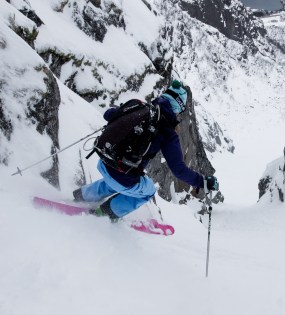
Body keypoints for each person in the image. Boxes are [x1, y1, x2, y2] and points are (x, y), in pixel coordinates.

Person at [73, 82, 219, 220]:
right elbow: (178, 169)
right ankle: (104, 214)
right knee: (147, 191)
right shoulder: (167, 131)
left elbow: (108, 115)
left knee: (118, 178)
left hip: (104, 162)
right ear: (177, 108)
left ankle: (81, 196)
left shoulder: (139, 107)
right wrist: (202, 182)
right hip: (121, 175)